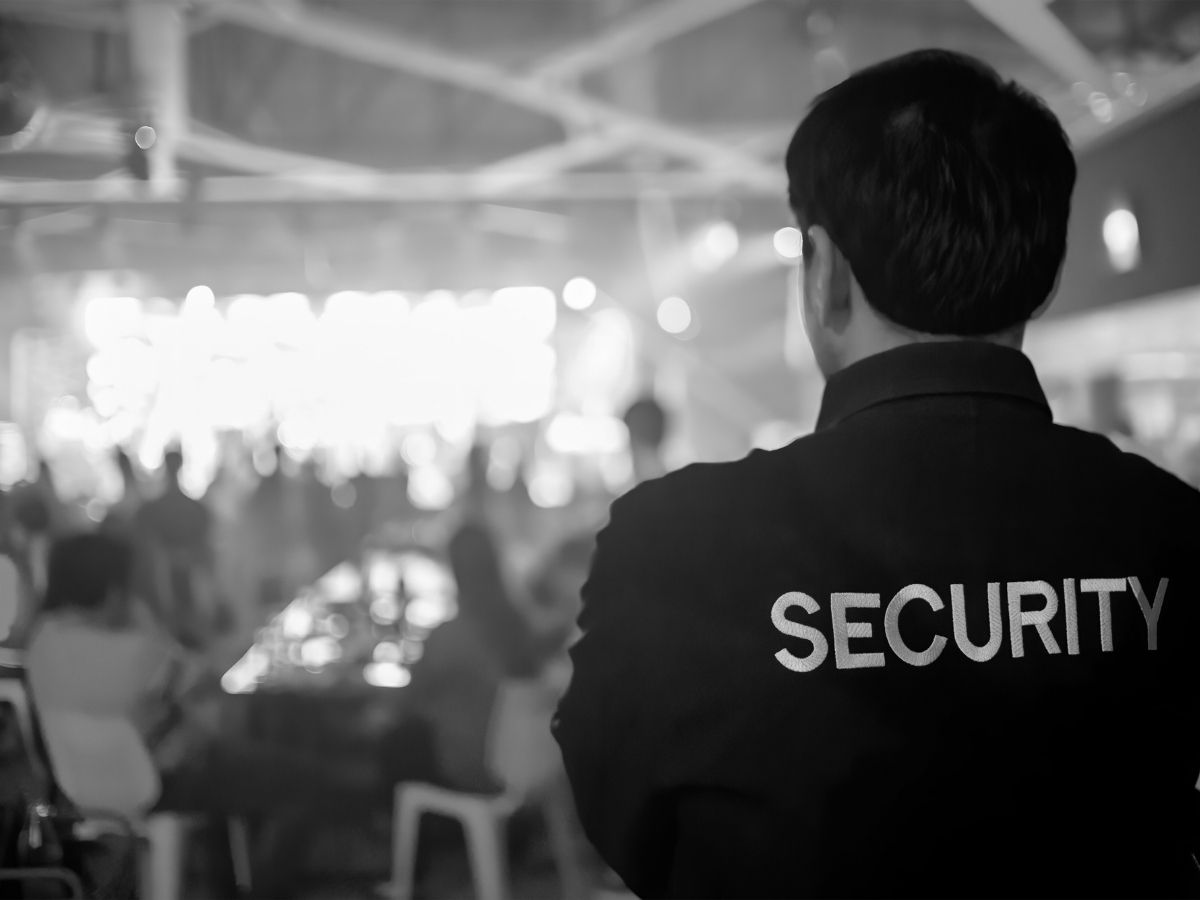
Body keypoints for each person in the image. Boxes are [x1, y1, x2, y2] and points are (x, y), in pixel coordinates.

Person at [553, 49, 1200, 898]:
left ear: (822, 273)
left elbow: (626, 822)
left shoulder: (672, 545)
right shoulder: (1171, 530)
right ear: (1038, 278)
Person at [25, 532, 377, 898]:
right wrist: (147, 615)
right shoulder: (140, 652)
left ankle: (223, 886)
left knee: (231, 783)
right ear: (114, 589)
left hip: (81, 788)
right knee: (302, 782)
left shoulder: (41, 642)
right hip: (161, 783)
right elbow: (213, 677)